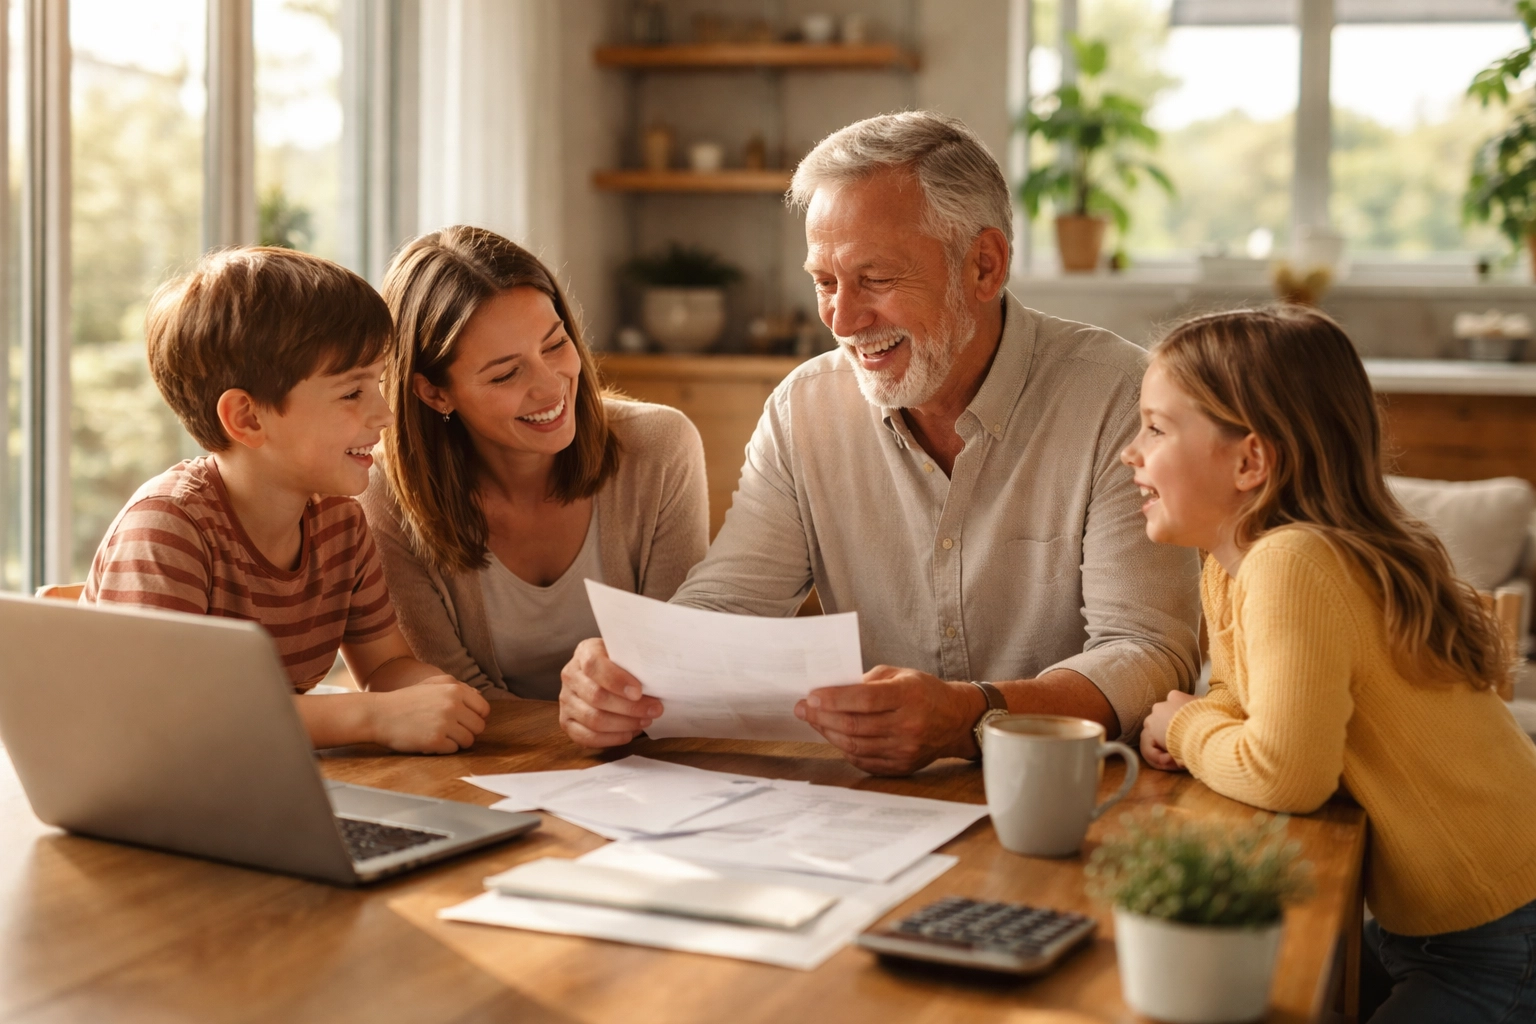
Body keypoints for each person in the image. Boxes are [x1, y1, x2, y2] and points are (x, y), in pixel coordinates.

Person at [559, 111, 1201, 775]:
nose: (841, 319)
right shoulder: (802, 410)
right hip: (875, 810)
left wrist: (971, 716)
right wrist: (627, 675)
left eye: (876, 279)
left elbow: (1148, 651)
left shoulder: (1122, 400)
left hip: (1080, 793)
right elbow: (728, 606)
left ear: (985, 265)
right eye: (824, 282)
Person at [1128, 306, 1536, 1023]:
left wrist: (1186, 726)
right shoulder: (1232, 562)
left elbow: (1287, 772)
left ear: (1250, 461)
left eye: (1156, 428)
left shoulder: (1294, 562)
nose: (1130, 452)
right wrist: (1208, 717)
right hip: (1438, 929)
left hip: (1501, 935)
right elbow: (1235, 695)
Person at [83, 247, 491, 754]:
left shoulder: (340, 525)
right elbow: (169, 714)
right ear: (248, 418)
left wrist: (434, 695)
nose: (384, 414)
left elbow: (384, 666)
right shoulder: (168, 527)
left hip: (259, 783)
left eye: (378, 383)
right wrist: (371, 716)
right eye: (351, 393)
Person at [358, 226, 708, 700]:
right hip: (484, 764)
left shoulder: (660, 446)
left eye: (555, 344)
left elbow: (676, 662)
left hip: (643, 750)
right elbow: (450, 698)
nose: (550, 386)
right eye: (505, 374)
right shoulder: (382, 492)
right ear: (435, 392)